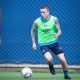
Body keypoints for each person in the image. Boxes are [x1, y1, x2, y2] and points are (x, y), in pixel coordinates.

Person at [31, 4, 72, 80]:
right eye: (41, 12)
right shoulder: (37, 21)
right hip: (43, 44)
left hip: (54, 43)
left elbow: (59, 30)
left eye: (44, 12)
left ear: (48, 12)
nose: (42, 14)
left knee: (63, 60)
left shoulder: (54, 19)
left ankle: (66, 76)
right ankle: (51, 65)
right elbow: (32, 30)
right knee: (49, 59)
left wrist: (58, 33)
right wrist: (33, 42)